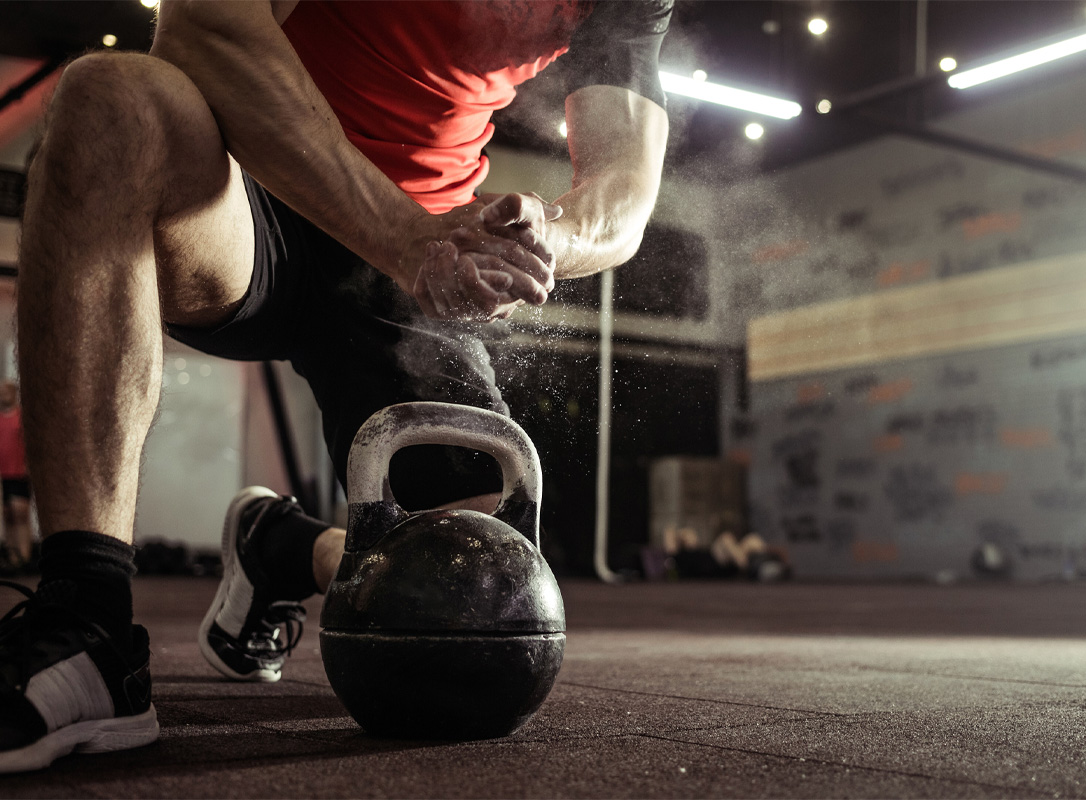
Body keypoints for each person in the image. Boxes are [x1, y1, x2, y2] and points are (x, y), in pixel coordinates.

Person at [1, 0, 671, 772]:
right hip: (244, 203)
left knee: (472, 605)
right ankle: (88, 623)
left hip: (421, 262)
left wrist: (550, 233)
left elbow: (625, 189)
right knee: (112, 95)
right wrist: (397, 234)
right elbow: (203, 25)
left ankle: (284, 548)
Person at [0, 381, 33, 573]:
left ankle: (24, 555)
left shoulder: (22, 417)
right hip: (4, 474)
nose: (3, 395)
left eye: (6, 391)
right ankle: (12, 556)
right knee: (8, 516)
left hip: (19, 474)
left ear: (14, 393)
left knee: (20, 513)